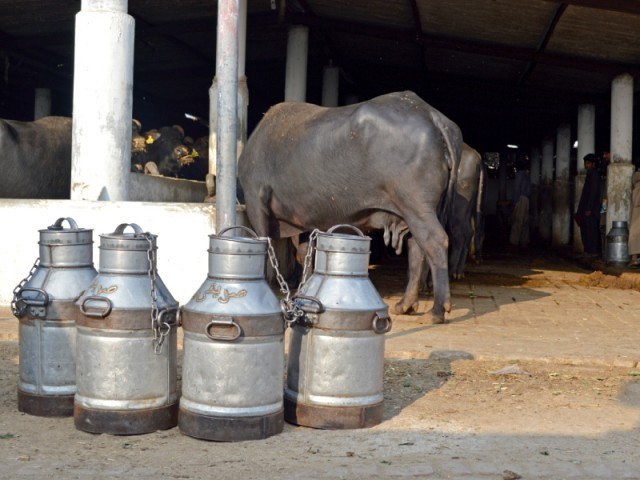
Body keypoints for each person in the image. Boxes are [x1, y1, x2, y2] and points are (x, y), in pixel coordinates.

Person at [576, 153, 602, 257]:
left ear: (593, 164)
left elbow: (593, 193)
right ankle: (588, 251)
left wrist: (589, 208)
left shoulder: (594, 174)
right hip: (587, 208)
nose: (586, 165)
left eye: (588, 163)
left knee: (591, 230)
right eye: (585, 163)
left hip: (590, 209)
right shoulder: (590, 174)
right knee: (586, 229)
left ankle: (592, 251)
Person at [509, 157, 531, 249]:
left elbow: (517, 189)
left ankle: (514, 242)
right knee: (525, 222)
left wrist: (514, 202)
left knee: (517, 221)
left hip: (520, 199)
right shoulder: (527, 175)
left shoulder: (519, 175)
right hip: (527, 199)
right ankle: (524, 242)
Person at [627, 171, 640, 267]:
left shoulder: (637, 186)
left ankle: (634, 259)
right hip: (637, 211)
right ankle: (634, 259)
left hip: (637, 213)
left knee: (634, 234)